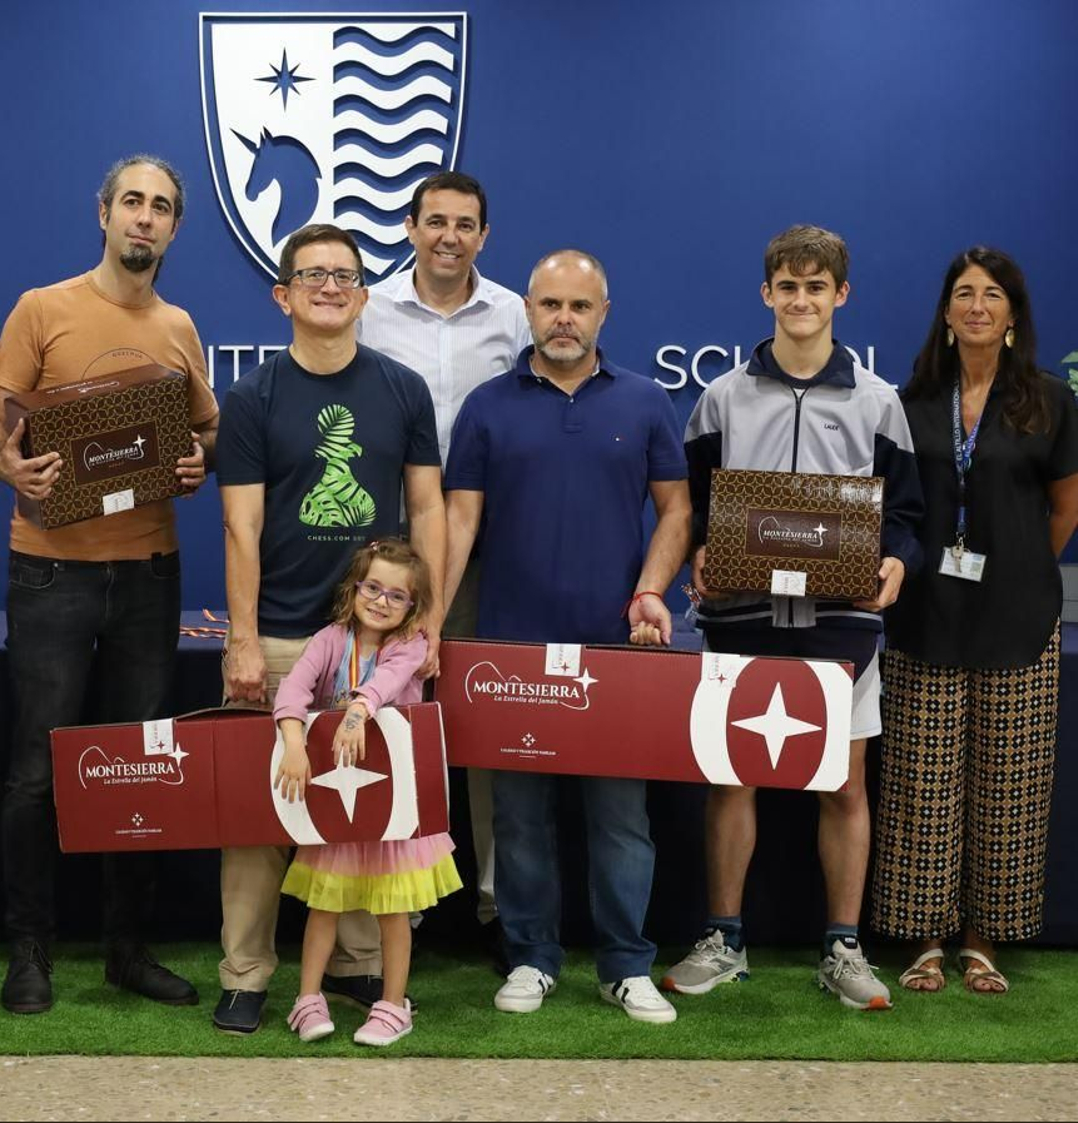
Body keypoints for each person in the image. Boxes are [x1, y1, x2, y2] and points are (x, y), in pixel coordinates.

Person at [0, 154, 219, 1015]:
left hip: (149, 573)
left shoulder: (180, 326)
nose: (145, 217)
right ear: (103, 212)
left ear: (175, 227)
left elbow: (206, 431)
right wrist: (14, 468)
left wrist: (196, 459)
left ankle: (126, 949)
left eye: (161, 207)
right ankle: (29, 948)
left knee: (138, 766)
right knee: (36, 771)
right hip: (51, 572)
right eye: (132, 202)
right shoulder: (42, 308)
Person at [664, 225, 924, 1011]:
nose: (801, 299)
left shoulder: (877, 401)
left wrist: (897, 560)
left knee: (843, 784)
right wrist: (699, 547)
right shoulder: (722, 396)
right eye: (788, 286)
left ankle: (842, 945)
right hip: (739, 617)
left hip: (842, 624)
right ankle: (723, 937)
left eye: (816, 287)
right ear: (766, 293)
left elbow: (905, 514)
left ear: (841, 294)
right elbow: (696, 504)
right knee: (730, 777)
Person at [444, 249, 690, 1024]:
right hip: (510, 650)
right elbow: (458, 521)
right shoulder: (487, 406)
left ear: (602, 313)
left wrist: (650, 590)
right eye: (550, 304)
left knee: (620, 821)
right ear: (528, 309)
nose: (563, 319)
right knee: (519, 819)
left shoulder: (645, 401)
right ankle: (530, 955)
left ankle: (626, 965)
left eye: (579, 306)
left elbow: (677, 511)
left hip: (616, 652)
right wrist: (428, 625)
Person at [215, 222, 446, 1034]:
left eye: (343, 274)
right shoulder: (253, 398)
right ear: (283, 295)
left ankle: (354, 965)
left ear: (364, 294)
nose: (329, 286)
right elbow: (241, 526)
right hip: (283, 634)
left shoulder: (403, 389)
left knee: (366, 804)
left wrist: (430, 625)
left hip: (378, 648)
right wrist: (244, 638)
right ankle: (246, 972)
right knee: (259, 818)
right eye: (312, 275)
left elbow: (427, 507)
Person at [872, 247, 1078, 994]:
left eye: (993, 294)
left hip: (1018, 617)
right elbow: (892, 503)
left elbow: (1065, 508)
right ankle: (926, 939)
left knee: (1008, 786)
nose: (977, 306)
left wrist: (1020, 565)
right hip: (925, 614)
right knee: (921, 783)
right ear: (947, 312)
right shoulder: (912, 400)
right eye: (964, 293)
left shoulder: (1049, 401)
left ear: (1012, 313)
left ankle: (982, 939)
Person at [356, 171, 530, 966]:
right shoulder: (373, 311)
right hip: (387, 555)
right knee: (393, 720)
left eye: (465, 224)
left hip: (490, 552)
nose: (449, 237)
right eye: (435, 222)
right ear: (410, 228)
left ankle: (494, 904)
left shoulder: (514, 315)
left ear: (483, 235)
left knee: (485, 726)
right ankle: (405, 903)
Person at [273, 539, 461, 1047]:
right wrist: (294, 742)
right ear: (353, 589)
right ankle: (307, 998)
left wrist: (356, 711)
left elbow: (389, 681)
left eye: (397, 596)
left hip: (393, 805)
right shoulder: (330, 639)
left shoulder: (411, 646)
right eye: (372, 588)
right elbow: (293, 690)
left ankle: (393, 1005)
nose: (381, 601)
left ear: (413, 606)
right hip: (337, 802)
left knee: (392, 910)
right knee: (324, 905)